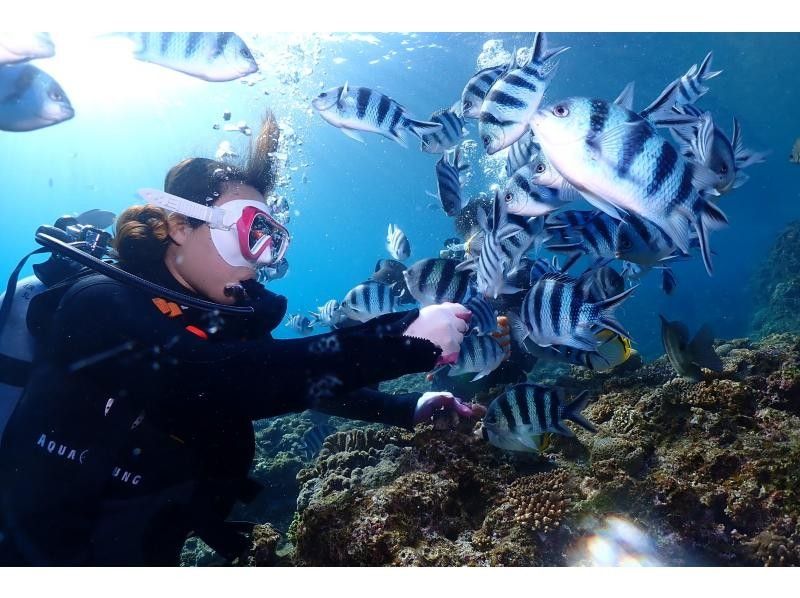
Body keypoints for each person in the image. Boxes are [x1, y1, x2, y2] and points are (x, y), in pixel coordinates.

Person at [0, 111, 480, 566]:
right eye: (251, 233)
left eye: (273, 239)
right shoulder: (99, 303)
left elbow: (291, 377)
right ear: (179, 225)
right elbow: (218, 381)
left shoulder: (218, 319)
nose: (258, 261)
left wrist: (405, 408)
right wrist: (398, 337)